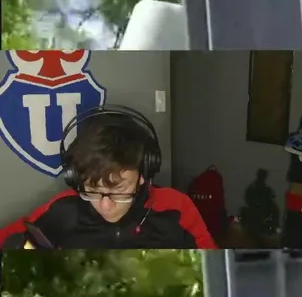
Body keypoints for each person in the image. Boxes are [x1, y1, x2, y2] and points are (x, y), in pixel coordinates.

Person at [0, 104, 217, 249]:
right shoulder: (63, 209)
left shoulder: (177, 207)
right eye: (93, 191)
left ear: (143, 174)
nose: (105, 206)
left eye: (119, 191)